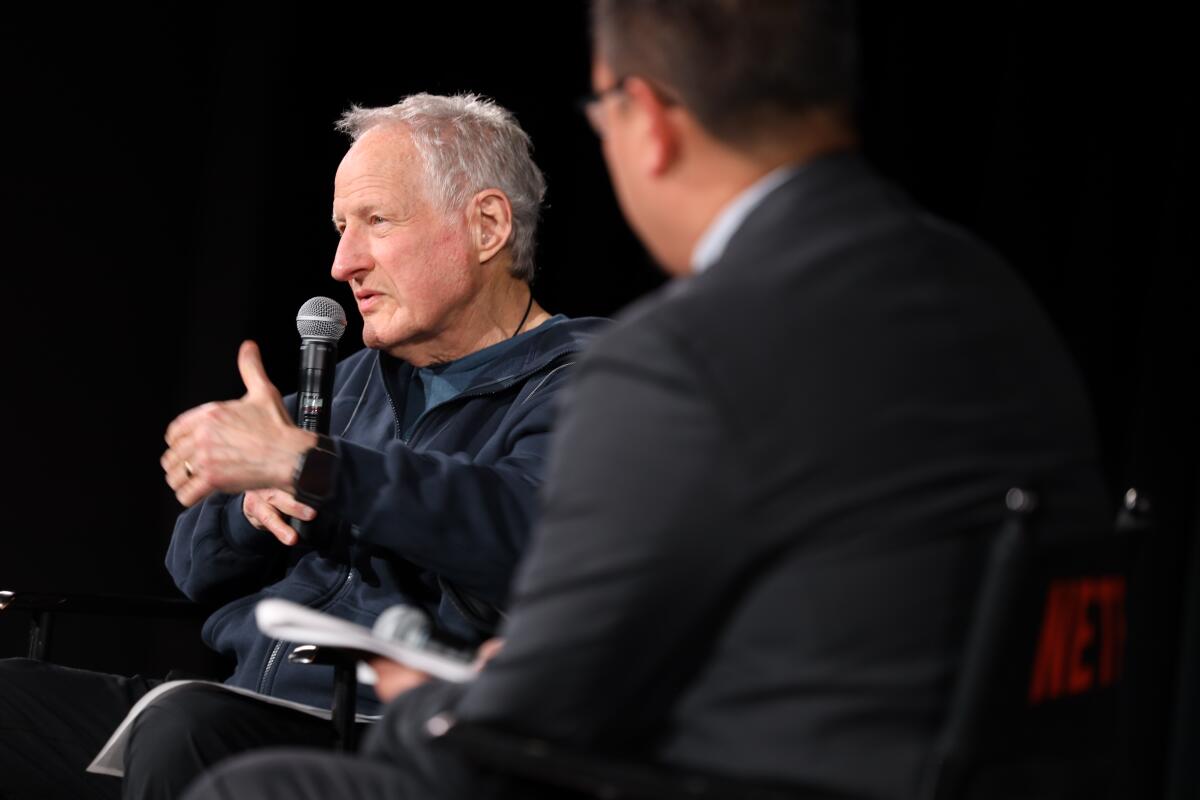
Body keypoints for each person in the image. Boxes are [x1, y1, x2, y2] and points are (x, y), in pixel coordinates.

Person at [183, 2, 1109, 799]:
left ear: (649, 119)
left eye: (602, 109)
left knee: (249, 783)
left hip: (724, 778)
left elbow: (539, 708)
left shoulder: (679, 352)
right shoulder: (994, 297)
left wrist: (427, 700)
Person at [0, 93, 604, 800]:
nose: (343, 262)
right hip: (243, 697)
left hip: (391, 733)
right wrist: (247, 500)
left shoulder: (589, 381)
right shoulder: (351, 383)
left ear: (488, 225)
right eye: (341, 227)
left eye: (376, 221)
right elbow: (192, 567)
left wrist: (317, 470)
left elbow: (532, 536)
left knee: (187, 730)